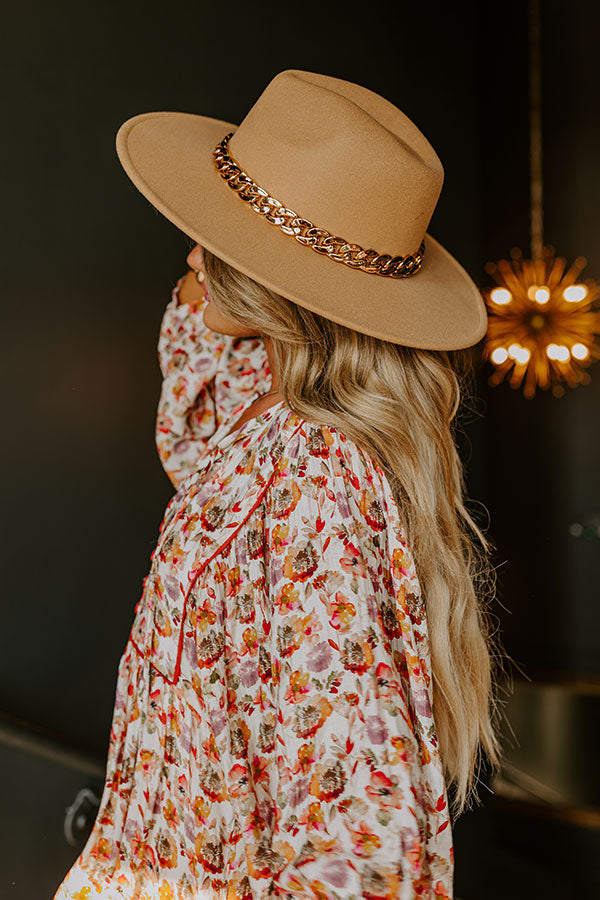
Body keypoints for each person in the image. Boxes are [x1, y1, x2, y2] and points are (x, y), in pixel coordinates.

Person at [53, 69, 504, 900]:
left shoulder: (319, 481)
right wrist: (233, 261)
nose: (189, 256)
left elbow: (368, 836)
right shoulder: (267, 406)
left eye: (216, 240)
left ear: (287, 286)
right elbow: (191, 407)